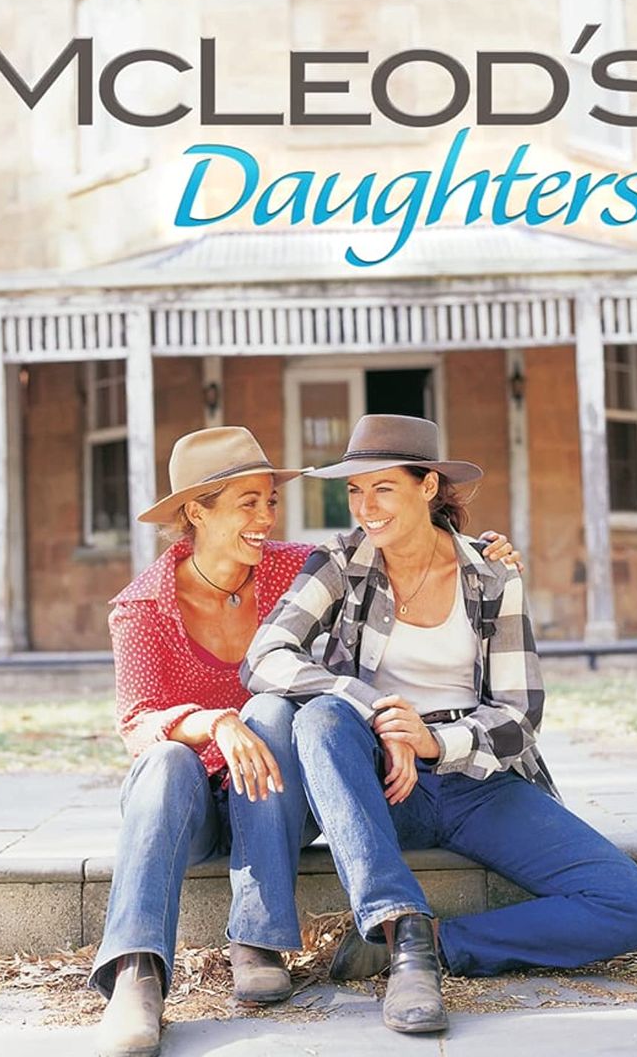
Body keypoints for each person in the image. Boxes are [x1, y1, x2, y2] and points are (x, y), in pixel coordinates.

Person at [90, 423, 519, 1057]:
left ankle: (258, 937)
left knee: (270, 708)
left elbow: (393, 546)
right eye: (249, 504)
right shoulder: (143, 606)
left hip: (281, 798)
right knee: (165, 763)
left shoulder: (294, 566)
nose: (267, 517)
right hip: (192, 807)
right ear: (194, 513)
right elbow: (136, 723)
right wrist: (212, 722)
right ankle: (137, 977)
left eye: (271, 500)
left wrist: (475, 550)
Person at [242, 413, 637, 1037]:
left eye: (383, 487)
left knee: (633, 904)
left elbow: (521, 716)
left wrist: (437, 739)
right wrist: (378, 712)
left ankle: (439, 943)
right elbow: (266, 655)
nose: (366, 507)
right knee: (325, 718)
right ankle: (401, 930)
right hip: (385, 782)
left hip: (478, 782)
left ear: (428, 486)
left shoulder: (492, 576)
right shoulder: (339, 560)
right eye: (355, 490)